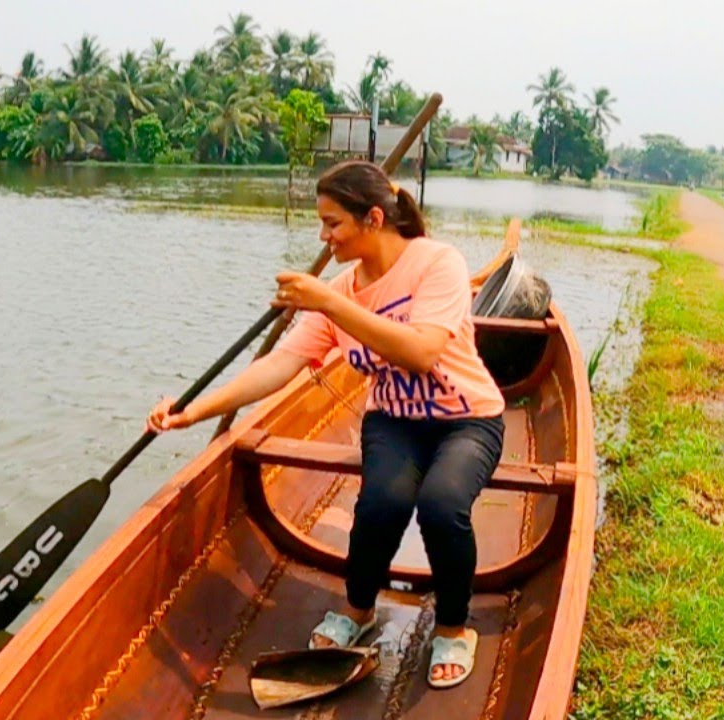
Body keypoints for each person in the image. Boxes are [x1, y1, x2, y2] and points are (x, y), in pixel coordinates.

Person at [146, 160, 506, 689]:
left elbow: (422, 352)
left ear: (374, 219)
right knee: (382, 502)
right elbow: (280, 365)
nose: (324, 235)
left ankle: (453, 626)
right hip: (395, 423)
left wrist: (331, 303)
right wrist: (193, 410)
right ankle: (359, 611)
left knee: (441, 503)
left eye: (334, 223)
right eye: (322, 222)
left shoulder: (437, 264)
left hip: (467, 419)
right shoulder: (337, 291)